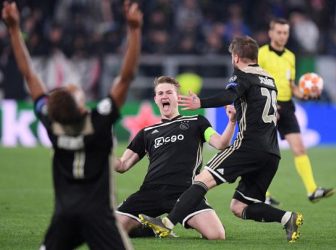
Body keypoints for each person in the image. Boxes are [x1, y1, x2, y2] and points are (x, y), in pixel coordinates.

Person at [2, 1, 142, 249]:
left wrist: (13, 28)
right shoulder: (99, 121)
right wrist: (134, 30)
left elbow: (30, 75)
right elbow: (126, 76)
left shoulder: (53, 125)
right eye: (76, 93)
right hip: (100, 217)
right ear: (80, 107)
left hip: (65, 215)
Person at [139, 36, 304, 243]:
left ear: (235, 57)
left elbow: (229, 96)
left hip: (247, 147)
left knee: (201, 180)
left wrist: (201, 102)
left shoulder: (242, 75)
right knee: (239, 206)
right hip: (271, 153)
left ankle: (167, 223)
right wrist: (237, 114)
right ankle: (288, 218)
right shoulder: (269, 79)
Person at [115, 76, 237, 240]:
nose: (164, 96)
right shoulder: (146, 133)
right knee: (112, 230)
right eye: (160, 93)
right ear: (156, 99)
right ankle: (151, 230)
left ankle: (164, 224)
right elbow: (122, 165)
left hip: (185, 192)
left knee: (217, 235)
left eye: (169, 92)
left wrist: (232, 122)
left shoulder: (196, 122)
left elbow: (221, 143)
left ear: (177, 97)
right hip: (150, 192)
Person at [258, 18, 335, 205]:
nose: (282, 36)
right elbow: (256, 81)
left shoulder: (290, 56)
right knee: (263, 153)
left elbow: (291, 84)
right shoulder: (261, 54)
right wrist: (267, 103)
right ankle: (263, 194)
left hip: (286, 106)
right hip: (267, 106)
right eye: (279, 32)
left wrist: (304, 93)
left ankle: (312, 190)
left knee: (299, 147)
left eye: (285, 32)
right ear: (271, 33)